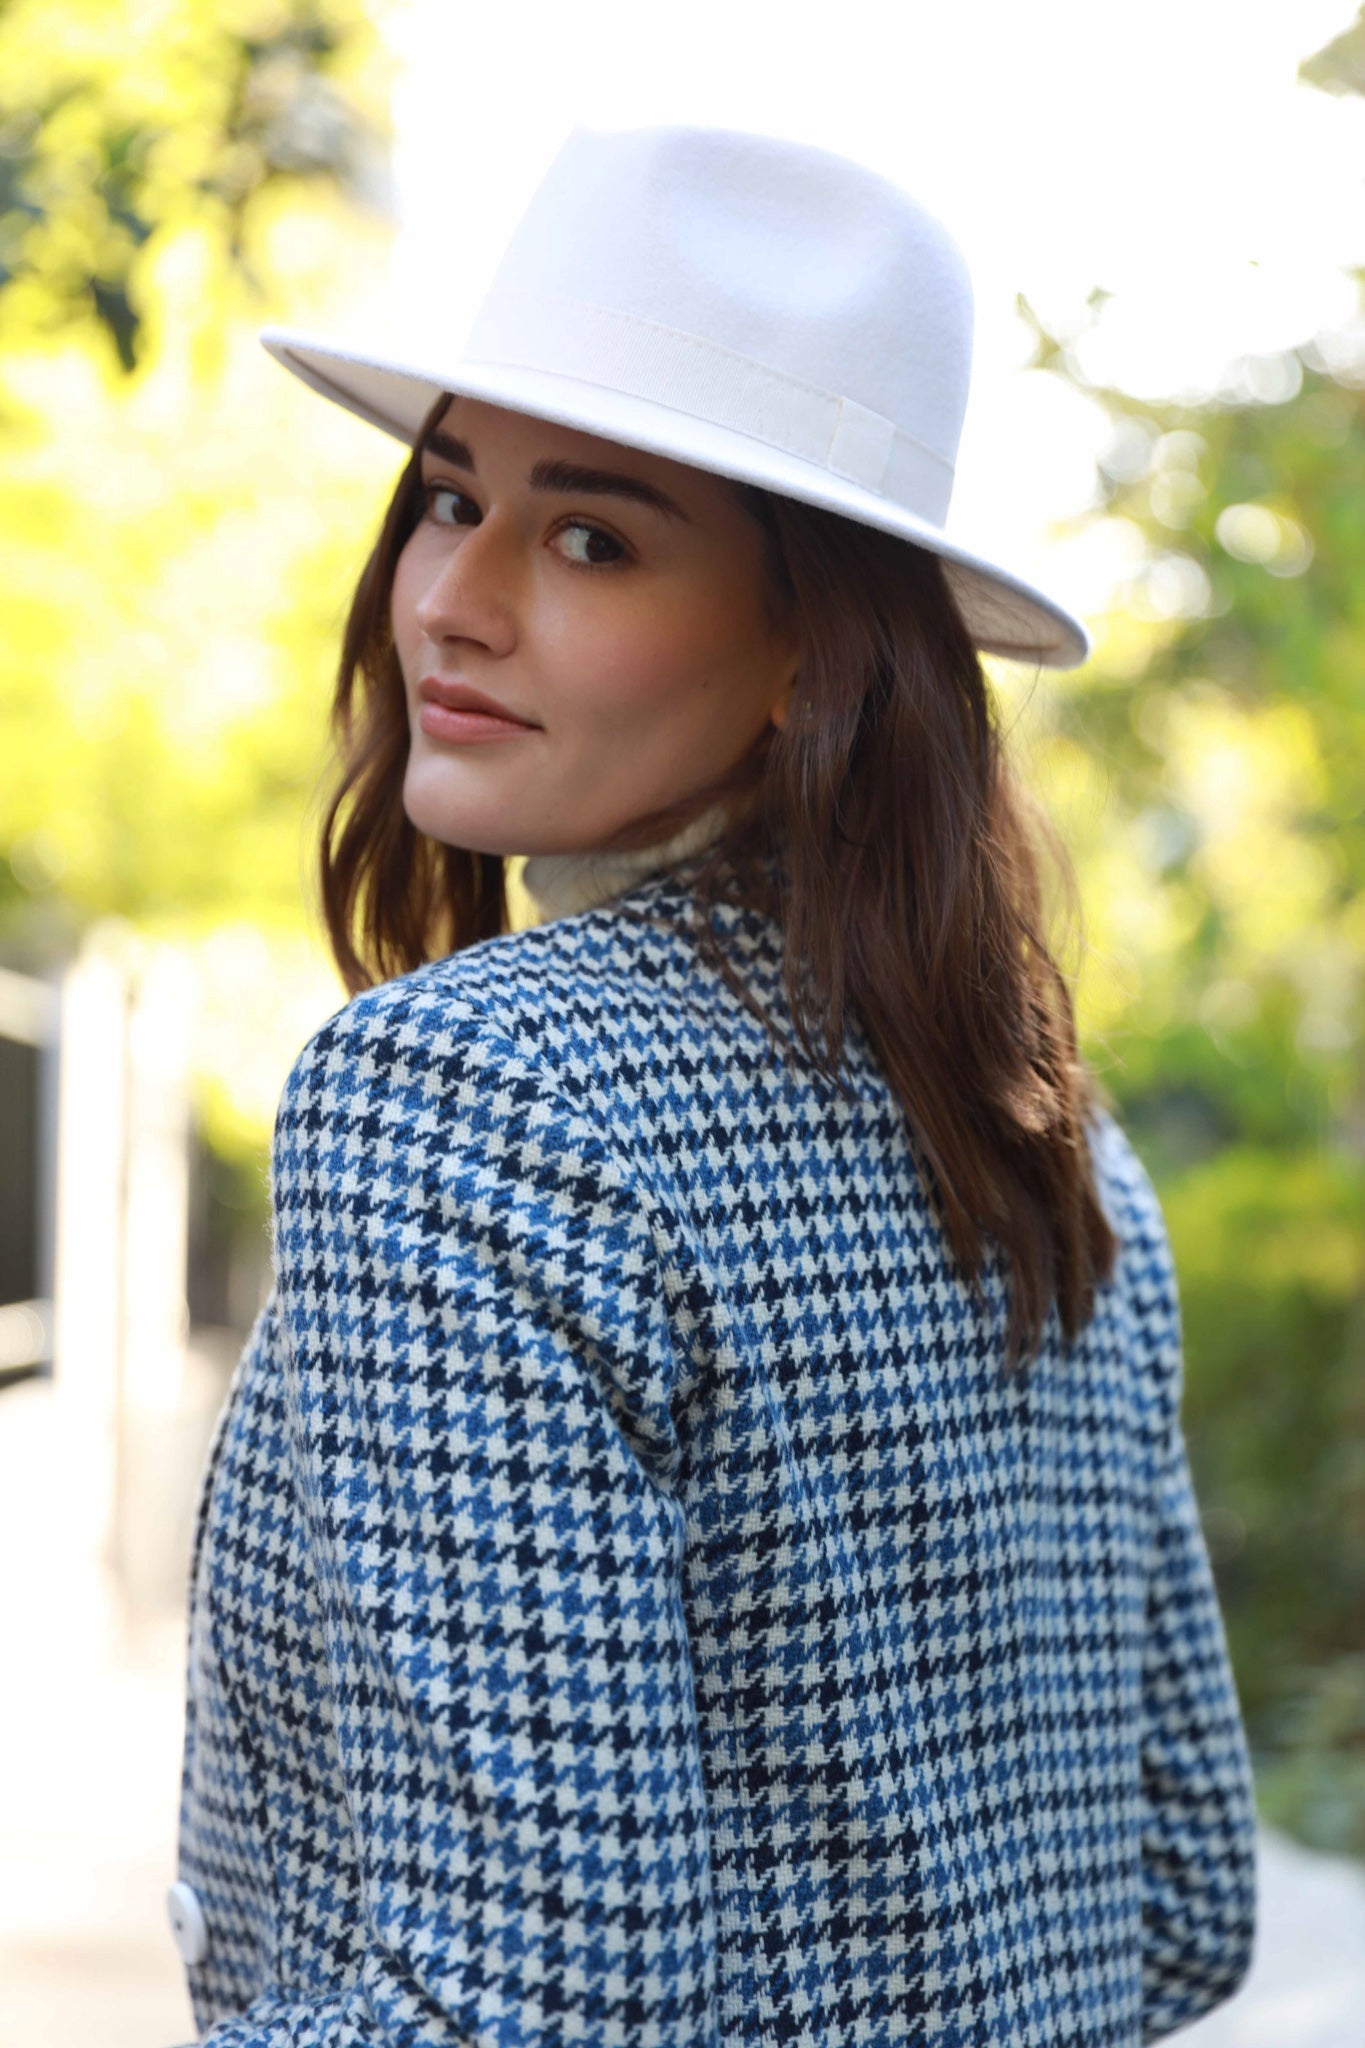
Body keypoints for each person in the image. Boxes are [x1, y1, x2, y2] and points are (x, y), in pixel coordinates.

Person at [169, 124, 1257, 2046]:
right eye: (446, 499)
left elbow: (525, 2003)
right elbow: (1175, 1907)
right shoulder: (1049, 1139)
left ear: (806, 660)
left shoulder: (469, 1096)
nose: (451, 599)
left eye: (591, 536)